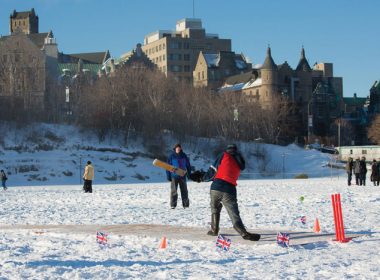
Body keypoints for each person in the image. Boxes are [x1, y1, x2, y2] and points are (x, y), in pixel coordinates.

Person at [201, 144, 260, 241]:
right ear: (236, 151)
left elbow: (213, 170)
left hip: (216, 187)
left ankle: (214, 230)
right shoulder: (240, 162)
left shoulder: (224, 155)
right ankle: (243, 233)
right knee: (234, 213)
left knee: (215, 207)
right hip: (230, 190)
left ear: (227, 150)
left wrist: (203, 178)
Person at [166, 143, 191, 209]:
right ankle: (173, 205)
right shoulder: (171, 156)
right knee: (174, 191)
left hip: (182, 176)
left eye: (179, 148)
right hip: (174, 176)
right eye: (177, 148)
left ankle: (185, 205)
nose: (178, 149)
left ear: (180, 148)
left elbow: (188, 165)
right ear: (175, 149)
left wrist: (189, 174)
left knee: (184, 191)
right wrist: (168, 176)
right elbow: (167, 167)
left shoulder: (184, 155)